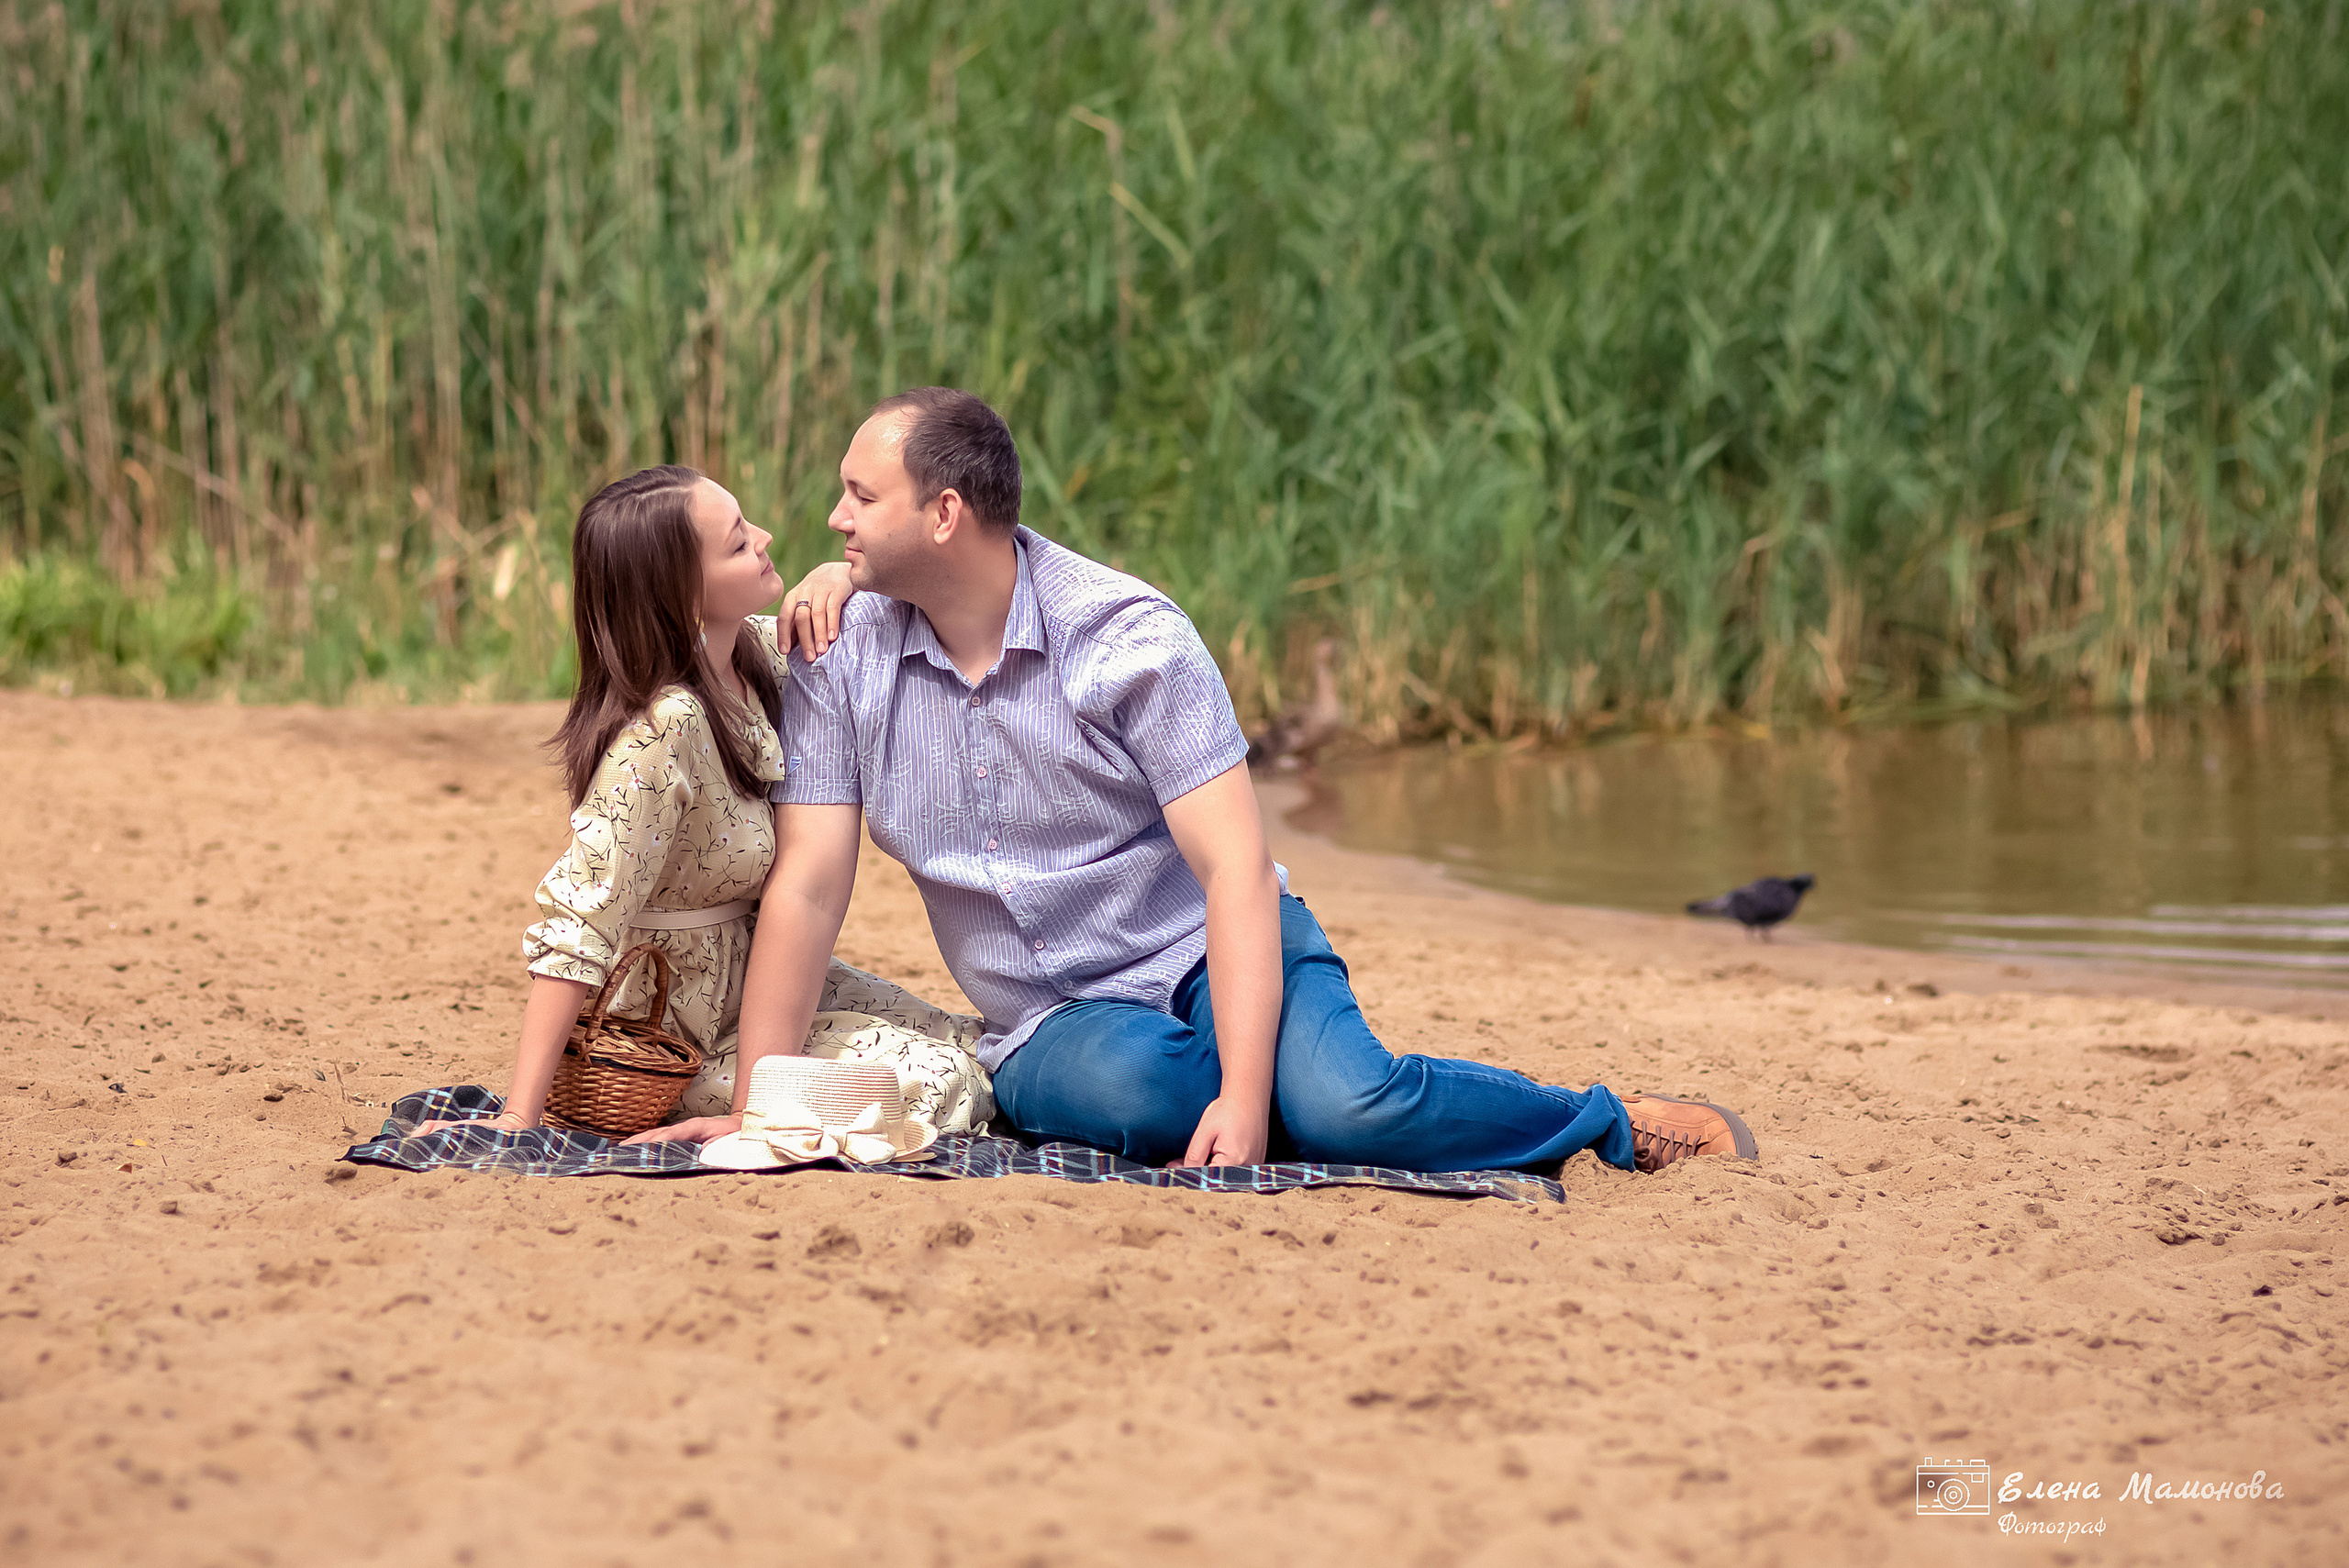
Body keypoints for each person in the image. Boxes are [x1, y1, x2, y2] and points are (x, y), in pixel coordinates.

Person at [637, 395, 1754, 1175]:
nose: (833, 517)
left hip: (1210, 947)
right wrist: (760, 1110)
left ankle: (1603, 1117)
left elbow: (1234, 871)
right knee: (1148, 1096)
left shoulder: (1129, 639)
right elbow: (809, 884)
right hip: (1053, 1019)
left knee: (1347, 1102)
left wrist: (1247, 1095)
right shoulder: (839, 652)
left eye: (858, 494)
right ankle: (1288, 1090)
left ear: (943, 514)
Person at [412, 464, 991, 1140]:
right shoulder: (661, 732)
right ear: (687, 597)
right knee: (942, 1079)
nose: (766, 538)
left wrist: (841, 576)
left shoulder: (756, 656)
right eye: (740, 542)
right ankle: (745, 1114)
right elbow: (580, 916)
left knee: (970, 1039)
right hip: (675, 1025)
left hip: (753, 978)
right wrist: (520, 1113)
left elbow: (855, 630)